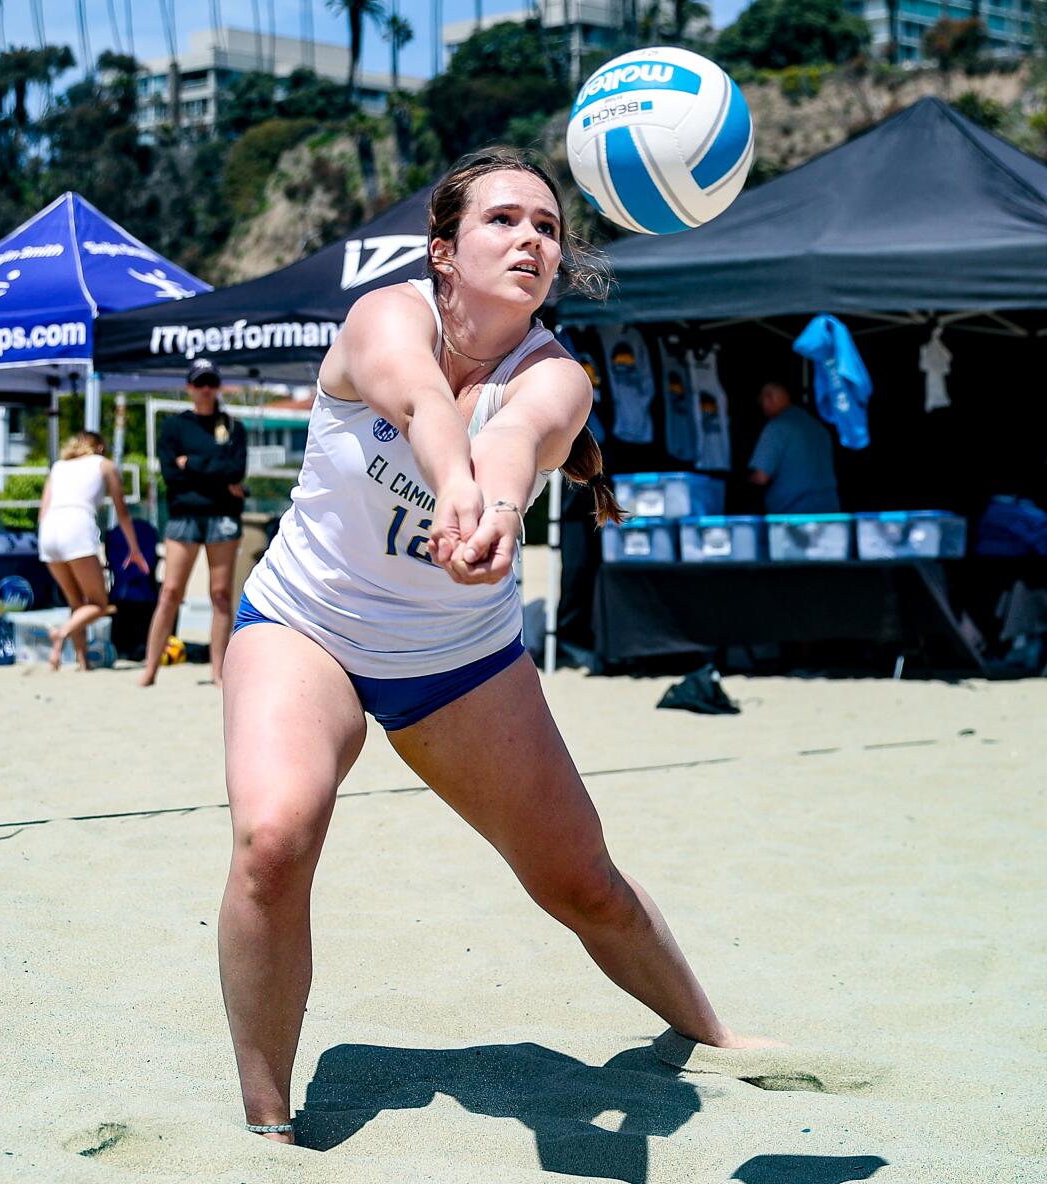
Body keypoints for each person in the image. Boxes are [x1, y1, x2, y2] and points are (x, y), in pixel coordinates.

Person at [218, 148, 779, 1145]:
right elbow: (423, 402)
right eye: (504, 220)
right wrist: (459, 487)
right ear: (444, 250)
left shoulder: (558, 372)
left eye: (548, 228)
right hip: (306, 624)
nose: (530, 239)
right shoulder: (388, 317)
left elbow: (521, 436)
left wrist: (502, 502)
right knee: (274, 839)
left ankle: (713, 1033)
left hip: (458, 657)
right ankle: (268, 1124)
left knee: (583, 882)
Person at [139, 358, 247, 688]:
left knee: (219, 594)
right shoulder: (174, 427)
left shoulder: (232, 426)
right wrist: (215, 472)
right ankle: (150, 669)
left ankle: (217, 671)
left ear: (217, 386)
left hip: (221, 516)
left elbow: (236, 472)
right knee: (170, 591)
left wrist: (193, 464)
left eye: (211, 382)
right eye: (199, 383)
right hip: (185, 514)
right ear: (189, 387)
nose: (205, 389)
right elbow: (171, 475)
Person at [38, 431, 149, 670]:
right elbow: (122, 512)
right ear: (99, 447)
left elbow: (43, 510)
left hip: (49, 531)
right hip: (77, 526)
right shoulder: (104, 465)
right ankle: (61, 633)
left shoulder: (58, 467)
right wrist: (135, 548)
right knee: (99, 604)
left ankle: (82, 660)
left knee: (77, 603)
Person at [747, 382, 840, 513]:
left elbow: (761, 477)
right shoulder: (818, 426)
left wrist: (741, 485)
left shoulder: (776, 427)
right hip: (830, 511)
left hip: (793, 516)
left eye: (761, 401)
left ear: (768, 398)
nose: (762, 407)